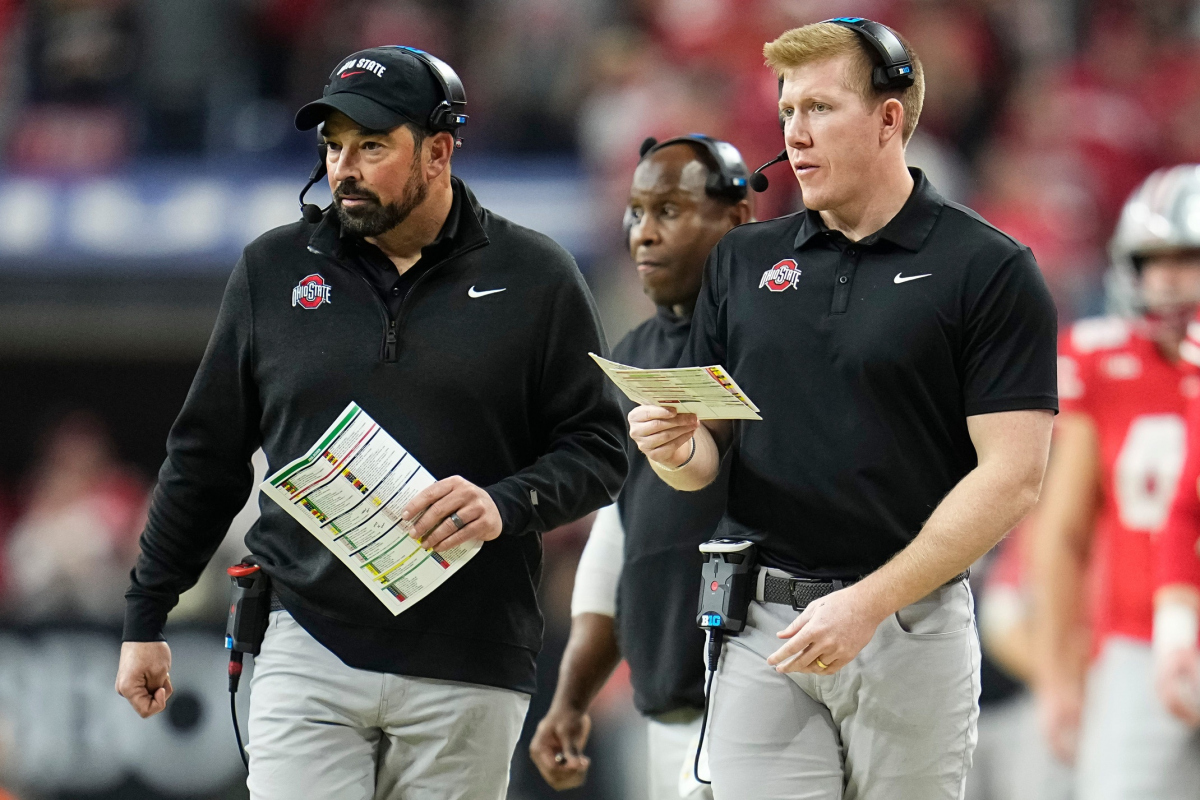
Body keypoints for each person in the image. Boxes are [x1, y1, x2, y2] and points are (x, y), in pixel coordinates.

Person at [113, 46, 627, 799]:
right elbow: (206, 455)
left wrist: (504, 504)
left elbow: (601, 448)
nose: (343, 168)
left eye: (372, 145)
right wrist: (145, 614)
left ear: (440, 150)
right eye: (333, 146)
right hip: (307, 640)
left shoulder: (537, 275)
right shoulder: (273, 270)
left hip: (470, 655)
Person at [626, 19, 1058, 800]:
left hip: (908, 625)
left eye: (820, 109)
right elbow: (706, 463)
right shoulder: (744, 260)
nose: (795, 133)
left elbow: (1016, 478)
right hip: (763, 624)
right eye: (787, 111)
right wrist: (671, 447)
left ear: (889, 119)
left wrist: (869, 602)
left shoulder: (988, 268)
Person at [528, 135, 751, 799]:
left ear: (735, 219)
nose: (644, 234)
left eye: (671, 212)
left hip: (762, 695)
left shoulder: (775, 334)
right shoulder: (637, 350)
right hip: (668, 700)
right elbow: (619, 533)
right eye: (636, 212)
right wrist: (571, 695)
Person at [1032, 164, 1200, 799]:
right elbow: (1064, 533)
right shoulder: (1104, 365)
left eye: (1189, 260)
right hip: (1135, 644)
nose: (1170, 282)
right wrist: (1058, 673)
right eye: (1154, 262)